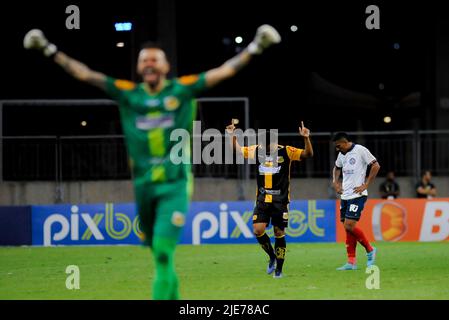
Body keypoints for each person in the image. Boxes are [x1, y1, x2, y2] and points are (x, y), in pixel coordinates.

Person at [23, 25, 281, 299]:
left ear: (166, 66)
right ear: (138, 67)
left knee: (161, 250)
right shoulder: (128, 94)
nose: (149, 63)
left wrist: (255, 46)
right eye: (144, 59)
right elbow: (85, 74)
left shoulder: (181, 90)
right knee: (158, 253)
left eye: (154, 59)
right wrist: (48, 49)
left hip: (174, 185)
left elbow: (224, 71)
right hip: (144, 187)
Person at [226, 121, 314, 278]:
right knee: (258, 230)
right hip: (262, 200)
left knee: (279, 232)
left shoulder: (286, 151)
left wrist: (306, 138)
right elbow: (239, 151)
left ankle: (279, 270)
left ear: (274, 143)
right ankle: (272, 256)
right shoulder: (257, 150)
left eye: (269, 147)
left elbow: (308, 154)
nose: (266, 150)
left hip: (280, 201)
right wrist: (231, 136)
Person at [332, 132, 380, 270]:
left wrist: (366, 184)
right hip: (345, 195)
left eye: (338, 146)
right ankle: (351, 262)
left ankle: (370, 250)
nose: (337, 149)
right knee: (348, 229)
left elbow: (376, 166)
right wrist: (335, 182)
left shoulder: (360, 150)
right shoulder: (341, 154)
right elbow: (337, 167)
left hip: (358, 195)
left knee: (349, 225)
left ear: (345, 142)